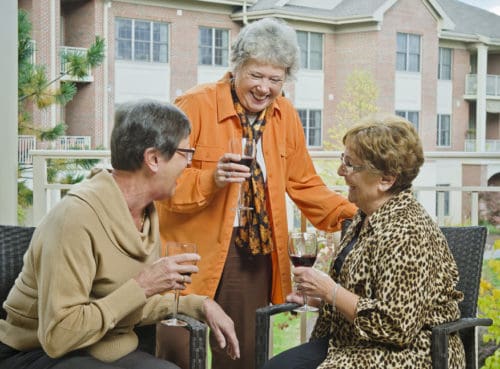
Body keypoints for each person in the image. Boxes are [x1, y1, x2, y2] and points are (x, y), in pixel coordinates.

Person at [155, 18, 356, 369]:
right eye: (256, 75)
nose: (264, 88)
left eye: (275, 79)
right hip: (190, 248)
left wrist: (354, 215)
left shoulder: (285, 115)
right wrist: (212, 179)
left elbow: (305, 184)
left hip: (251, 250)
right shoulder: (194, 105)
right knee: (180, 346)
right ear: (236, 69)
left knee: (240, 350)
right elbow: (161, 181)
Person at [0, 100, 239, 369]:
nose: (189, 163)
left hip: (105, 347)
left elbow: (129, 301)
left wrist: (199, 304)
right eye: (185, 152)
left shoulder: (146, 213)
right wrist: (144, 284)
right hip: (36, 352)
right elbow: (58, 336)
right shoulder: (75, 218)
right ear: (153, 159)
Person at [263, 114, 466, 369]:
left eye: (350, 164)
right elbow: (363, 293)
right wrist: (321, 299)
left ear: (386, 179)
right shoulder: (364, 217)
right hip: (351, 344)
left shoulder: (407, 231)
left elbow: (396, 327)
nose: (340, 171)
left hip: (406, 355)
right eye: (343, 160)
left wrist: (330, 291)